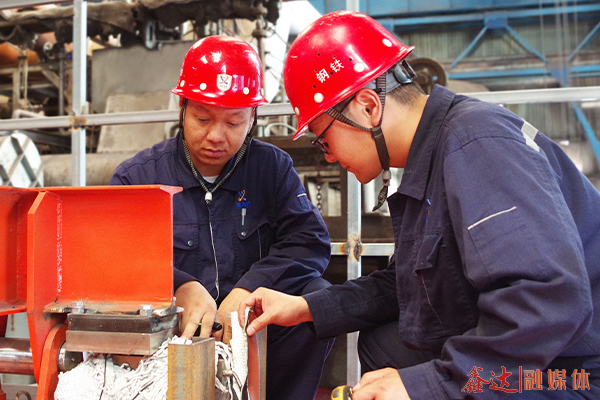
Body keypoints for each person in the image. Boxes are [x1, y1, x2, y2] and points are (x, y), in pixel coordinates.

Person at [238, 11, 600, 400]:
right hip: (543, 359)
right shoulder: (434, 158)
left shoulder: (476, 144)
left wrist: (429, 385)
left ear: (368, 107)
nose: (327, 155)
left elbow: (547, 298)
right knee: (386, 345)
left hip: (569, 374)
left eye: (323, 138)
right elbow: (406, 286)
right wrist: (306, 307)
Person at [110, 35, 333, 400]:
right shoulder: (138, 177)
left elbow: (308, 242)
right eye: (202, 118)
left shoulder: (272, 168)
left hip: (258, 328)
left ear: (253, 117)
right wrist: (179, 287)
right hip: (170, 334)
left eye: (233, 122)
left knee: (317, 298)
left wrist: (249, 290)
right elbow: (116, 257)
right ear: (182, 108)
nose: (216, 136)